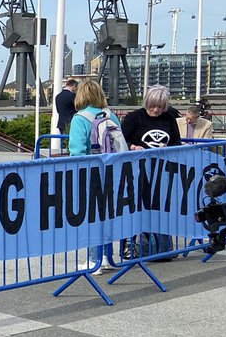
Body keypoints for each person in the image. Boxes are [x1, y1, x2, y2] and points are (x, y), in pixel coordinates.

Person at [69, 79, 120, 273]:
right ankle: (106, 256)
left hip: (91, 173)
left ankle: (93, 260)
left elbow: (77, 151)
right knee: (106, 215)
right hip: (113, 171)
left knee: (91, 218)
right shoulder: (111, 115)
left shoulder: (80, 118)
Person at [121, 85, 182, 150]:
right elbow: (121, 140)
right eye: (152, 106)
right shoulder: (134, 116)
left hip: (163, 158)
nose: (156, 110)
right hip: (138, 157)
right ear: (147, 103)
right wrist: (133, 147)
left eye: (160, 107)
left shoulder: (170, 117)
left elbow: (176, 141)